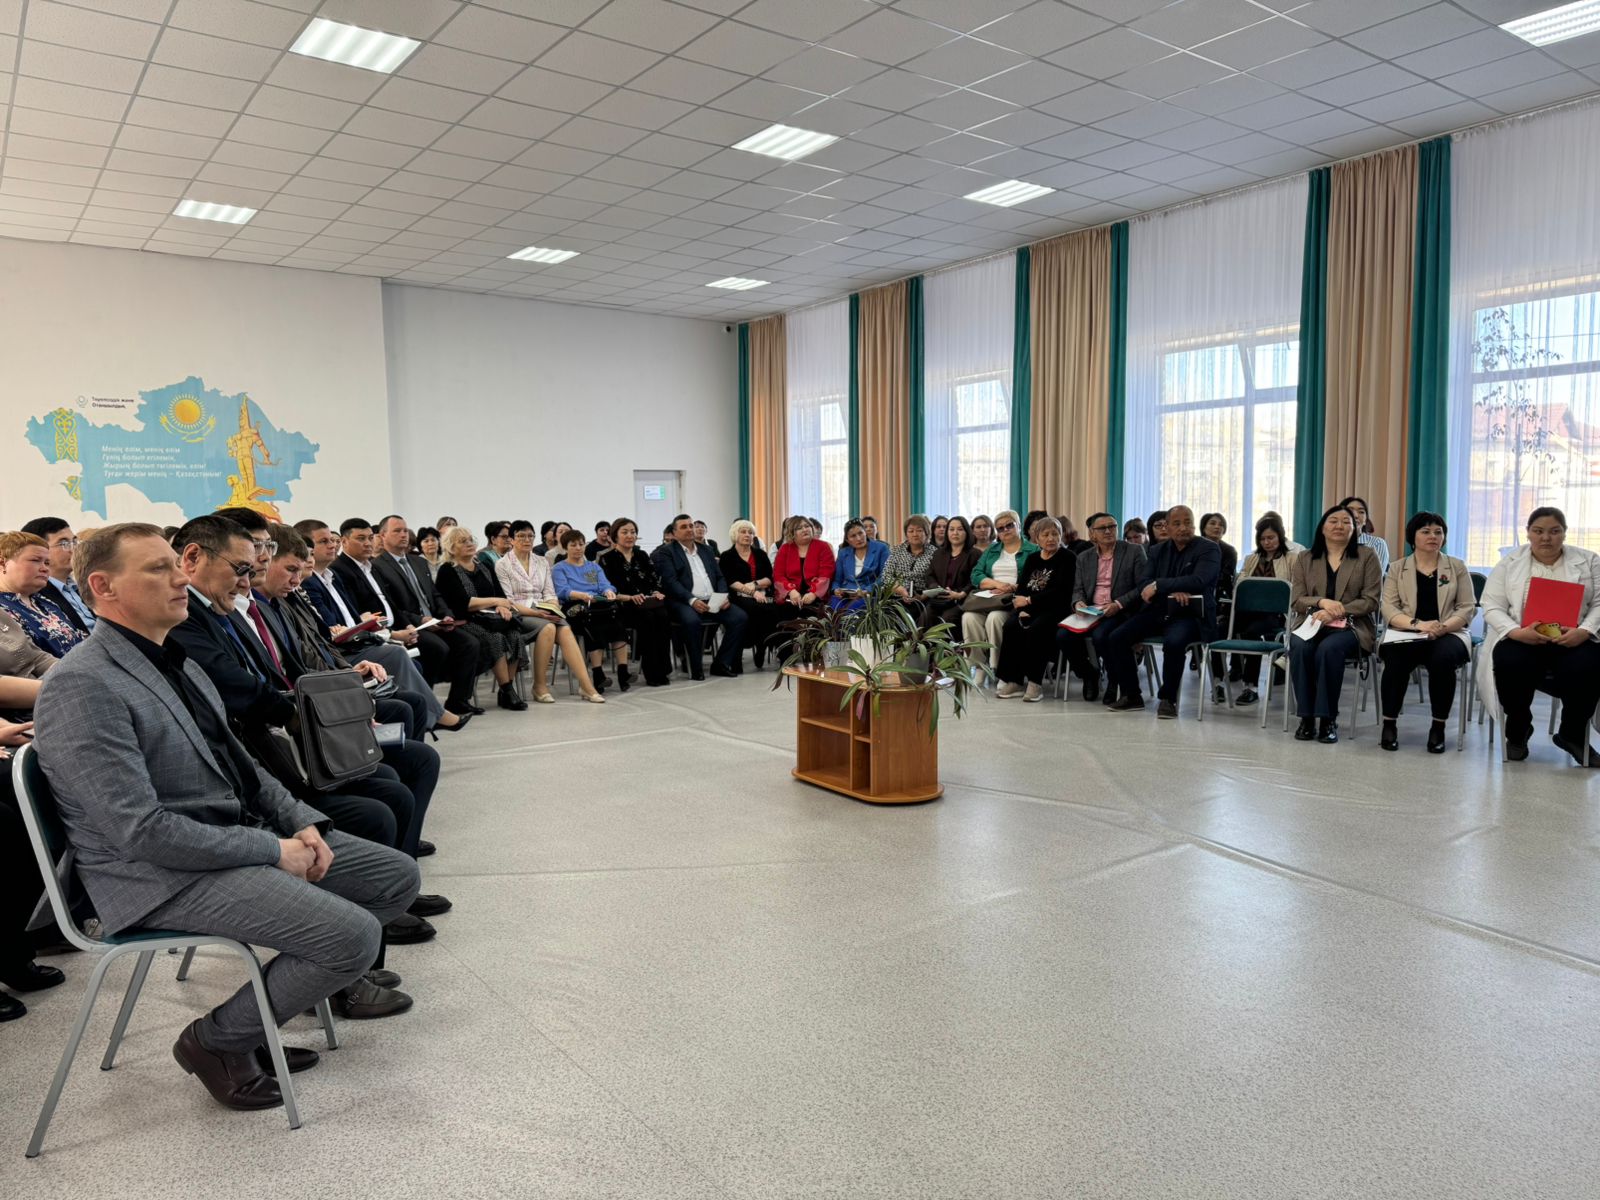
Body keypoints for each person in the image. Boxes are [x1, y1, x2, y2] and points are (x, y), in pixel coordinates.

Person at [32, 522, 421, 1110]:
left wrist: (300, 821)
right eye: (158, 569)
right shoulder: (82, 684)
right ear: (103, 587)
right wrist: (272, 851)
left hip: (221, 839)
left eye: (176, 564)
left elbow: (244, 768)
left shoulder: (176, 661)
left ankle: (265, 1013)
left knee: (394, 877)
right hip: (152, 877)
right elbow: (138, 830)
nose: (180, 576)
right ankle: (217, 1040)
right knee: (353, 934)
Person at [172, 514, 447, 946]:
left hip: (277, 745)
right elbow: (245, 694)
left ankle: (389, 897)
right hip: (264, 761)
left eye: (262, 554)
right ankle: (369, 920)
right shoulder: (193, 619)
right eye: (248, 562)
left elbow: (291, 671)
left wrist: (338, 703)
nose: (256, 568)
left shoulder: (236, 608)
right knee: (384, 795)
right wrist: (326, 710)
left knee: (407, 761)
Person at [295, 519, 468, 731]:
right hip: (346, 648)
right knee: (401, 654)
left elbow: (362, 613)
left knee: (428, 656)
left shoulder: (331, 576)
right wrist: (386, 634)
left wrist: (374, 626)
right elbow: (331, 628)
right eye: (324, 542)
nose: (332, 545)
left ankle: (423, 719)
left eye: (332, 540)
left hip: (363, 638)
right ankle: (436, 716)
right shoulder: (311, 582)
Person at [1479, 506, 1600, 765]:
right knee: (1511, 662)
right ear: (1529, 534)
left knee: (1590, 664)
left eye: (1554, 531)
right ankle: (1519, 730)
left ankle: (1572, 734)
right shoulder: (1510, 563)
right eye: (1539, 531)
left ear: (1565, 534)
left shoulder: (1589, 560)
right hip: (1523, 636)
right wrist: (1516, 632)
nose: (1546, 538)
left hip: (1571, 637)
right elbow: (1491, 605)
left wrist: (1585, 631)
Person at [1103, 505, 1219, 719]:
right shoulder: (1157, 551)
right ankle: (1132, 695)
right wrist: (1174, 588)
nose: (1184, 528)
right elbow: (1145, 582)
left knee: (1174, 643)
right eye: (1177, 523)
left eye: (1188, 522)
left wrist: (1160, 586)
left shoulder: (1208, 549)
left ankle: (1168, 699)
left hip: (1191, 614)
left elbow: (1199, 580)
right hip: (1159, 610)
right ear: (1167, 526)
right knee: (1117, 637)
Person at [1378, 512, 1477, 754]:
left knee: (1442, 659)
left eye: (1438, 532)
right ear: (1413, 537)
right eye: (1426, 531)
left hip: (1448, 632)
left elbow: (1467, 607)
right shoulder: (1397, 568)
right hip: (1408, 630)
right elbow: (1389, 607)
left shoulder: (1456, 567)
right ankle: (1389, 723)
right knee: (1395, 657)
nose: (1433, 536)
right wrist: (1418, 624)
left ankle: (1438, 726)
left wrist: (1442, 627)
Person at [1287, 504, 1382, 744]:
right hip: (1312, 623)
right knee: (1299, 646)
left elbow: (1371, 601)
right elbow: (1297, 600)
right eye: (1333, 521)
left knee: (1329, 649)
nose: (1340, 526)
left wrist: (1338, 611)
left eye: (1346, 522)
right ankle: (1306, 718)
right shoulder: (1305, 557)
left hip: (1352, 626)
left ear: (1355, 529)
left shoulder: (1367, 556)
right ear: (1322, 527)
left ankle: (1328, 718)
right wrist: (1321, 602)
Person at [496, 521, 605, 702]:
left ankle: (586, 686)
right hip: (520, 612)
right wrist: (537, 613)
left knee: (565, 629)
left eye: (530, 536)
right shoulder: (503, 564)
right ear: (512, 540)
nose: (527, 540)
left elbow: (549, 592)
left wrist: (552, 607)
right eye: (521, 536)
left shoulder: (541, 562)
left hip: (543, 608)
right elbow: (508, 600)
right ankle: (539, 685)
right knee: (548, 628)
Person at [434, 527, 532, 710]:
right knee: (495, 638)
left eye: (471, 540)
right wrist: (496, 601)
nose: (470, 544)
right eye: (463, 541)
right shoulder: (448, 570)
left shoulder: (483, 567)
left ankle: (505, 692)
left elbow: (500, 593)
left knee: (514, 634)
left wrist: (503, 606)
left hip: (490, 618)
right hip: (465, 621)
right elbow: (463, 603)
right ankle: (508, 690)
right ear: (451, 547)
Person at [1059, 512, 1145, 703]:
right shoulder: (1083, 557)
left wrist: (1118, 603)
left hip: (1120, 609)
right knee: (1063, 636)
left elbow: (1142, 586)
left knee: (1101, 636)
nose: (1108, 531)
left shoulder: (1133, 551)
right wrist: (1078, 603)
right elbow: (1078, 589)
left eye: (1112, 526)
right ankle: (1089, 674)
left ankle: (1114, 681)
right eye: (1102, 528)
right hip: (1091, 611)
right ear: (1092, 534)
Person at [653, 513, 746, 679]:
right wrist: (692, 600)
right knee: (692, 621)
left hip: (712, 599)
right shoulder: (666, 552)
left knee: (739, 618)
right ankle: (695, 668)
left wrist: (723, 596)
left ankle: (721, 663)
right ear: (674, 533)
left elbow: (719, 577)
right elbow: (670, 582)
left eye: (690, 525)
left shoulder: (706, 550)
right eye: (684, 527)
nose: (689, 529)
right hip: (684, 601)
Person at [995, 518, 1075, 702]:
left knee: (1038, 628)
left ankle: (1035, 682)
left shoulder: (1068, 558)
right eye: (1045, 535)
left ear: (1061, 535)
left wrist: (1029, 601)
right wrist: (1020, 605)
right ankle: (1013, 680)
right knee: (1011, 625)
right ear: (1036, 538)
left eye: (1055, 534)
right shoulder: (1032, 558)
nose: (1051, 538)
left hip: (1054, 609)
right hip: (1029, 607)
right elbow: (1022, 586)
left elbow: (1061, 591)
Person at [596, 518, 672, 687]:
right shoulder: (607, 559)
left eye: (633, 532)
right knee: (648, 618)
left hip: (646, 602)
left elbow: (654, 579)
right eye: (625, 532)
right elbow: (607, 588)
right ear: (615, 536)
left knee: (663, 615)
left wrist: (656, 592)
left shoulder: (642, 555)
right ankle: (651, 671)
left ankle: (663, 668)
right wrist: (630, 597)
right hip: (623, 605)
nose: (630, 536)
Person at [552, 529, 629, 695]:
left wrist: (609, 591)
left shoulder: (593, 566)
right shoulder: (560, 568)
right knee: (594, 624)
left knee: (617, 621)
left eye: (581, 544)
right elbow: (562, 591)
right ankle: (597, 673)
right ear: (565, 547)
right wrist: (582, 595)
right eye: (573, 545)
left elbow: (605, 584)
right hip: (575, 606)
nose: (578, 548)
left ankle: (623, 672)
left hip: (597, 604)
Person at [1230, 514, 1296, 705]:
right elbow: (1239, 584)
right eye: (1262, 539)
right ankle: (1219, 682)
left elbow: (1295, 588)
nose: (1266, 542)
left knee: (1252, 632)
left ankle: (1250, 687)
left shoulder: (1292, 559)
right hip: (1248, 611)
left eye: (1271, 538)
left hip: (1276, 615)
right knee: (1219, 627)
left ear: (1280, 537)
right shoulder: (1251, 559)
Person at [964, 510, 1038, 671]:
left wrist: (1014, 587)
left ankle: (997, 666)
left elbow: (1037, 579)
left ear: (1018, 526)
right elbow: (976, 575)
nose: (1005, 530)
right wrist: (997, 584)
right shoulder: (992, 550)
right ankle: (978, 665)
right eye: (1000, 528)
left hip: (1016, 599)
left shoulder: (1033, 550)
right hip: (991, 597)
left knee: (995, 618)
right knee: (968, 617)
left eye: (1009, 525)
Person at [0, 532, 89, 659]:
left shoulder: (45, 602)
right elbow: (30, 663)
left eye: (47, 563)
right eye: (35, 560)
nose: (45, 568)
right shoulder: (3, 608)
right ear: (3, 563)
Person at [719, 520, 781, 669]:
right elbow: (731, 581)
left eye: (750, 532)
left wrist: (754, 585)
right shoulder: (727, 556)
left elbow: (769, 578)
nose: (747, 535)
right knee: (753, 610)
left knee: (773, 610)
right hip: (737, 596)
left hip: (762, 594)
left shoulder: (760, 554)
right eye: (743, 531)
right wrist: (752, 592)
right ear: (735, 534)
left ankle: (762, 647)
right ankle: (742, 653)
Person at [20, 517, 96, 632]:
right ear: (40, 550)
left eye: (74, 541)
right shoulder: (35, 595)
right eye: (64, 543)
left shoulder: (82, 585)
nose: (74, 549)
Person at [1198, 512, 1239, 703]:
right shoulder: (1194, 547)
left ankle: (1218, 683)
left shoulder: (1228, 550)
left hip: (1219, 602)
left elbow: (1225, 579)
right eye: (1213, 523)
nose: (1217, 527)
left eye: (1221, 525)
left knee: (1219, 630)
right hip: (1194, 600)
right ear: (1203, 527)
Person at [922, 516, 977, 632]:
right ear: (947, 533)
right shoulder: (939, 553)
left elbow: (974, 580)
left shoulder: (974, 554)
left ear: (967, 532)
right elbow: (929, 575)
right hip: (939, 598)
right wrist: (936, 588)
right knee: (925, 619)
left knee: (946, 620)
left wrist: (961, 594)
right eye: (951, 529)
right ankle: (921, 650)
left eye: (960, 529)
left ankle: (946, 650)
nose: (955, 533)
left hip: (960, 600)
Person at [773, 515, 835, 612]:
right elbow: (778, 575)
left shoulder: (823, 546)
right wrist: (791, 591)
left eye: (807, 526)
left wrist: (814, 593)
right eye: (799, 528)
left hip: (817, 595)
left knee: (811, 614)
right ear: (792, 532)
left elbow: (826, 574)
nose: (805, 529)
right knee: (783, 615)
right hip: (790, 596)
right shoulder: (785, 548)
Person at [831, 519, 889, 612]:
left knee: (849, 612)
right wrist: (836, 590)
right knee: (833, 609)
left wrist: (868, 590)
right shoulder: (843, 552)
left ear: (865, 533)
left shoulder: (881, 548)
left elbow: (885, 575)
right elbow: (837, 580)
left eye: (860, 533)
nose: (858, 538)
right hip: (846, 594)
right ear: (847, 540)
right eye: (853, 536)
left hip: (868, 594)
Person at [885, 515, 936, 604]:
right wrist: (902, 591)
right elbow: (886, 575)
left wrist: (922, 597)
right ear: (906, 534)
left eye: (919, 531)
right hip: (897, 594)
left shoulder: (934, 553)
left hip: (922, 597)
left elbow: (937, 581)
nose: (915, 534)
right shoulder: (897, 550)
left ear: (926, 533)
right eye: (911, 531)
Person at [1339, 496, 1391, 577]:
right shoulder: (1330, 544)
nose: (1355, 515)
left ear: (1365, 521)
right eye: (1350, 510)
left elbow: (1373, 579)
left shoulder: (1376, 544)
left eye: (1361, 512)